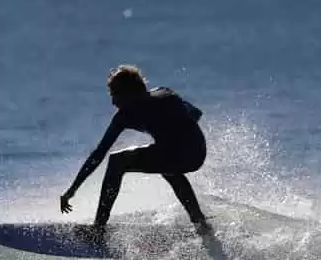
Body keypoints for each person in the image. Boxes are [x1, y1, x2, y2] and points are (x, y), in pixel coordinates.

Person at [60, 65, 211, 235]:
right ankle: (200, 222)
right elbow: (99, 153)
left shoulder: (164, 96)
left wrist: (178, 133)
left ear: (129, 92)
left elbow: (195, 113)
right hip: (193, 151)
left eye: (114, 94)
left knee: (118, 161)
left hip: (191, 151)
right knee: (167, 167)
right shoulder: (125, 115)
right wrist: (72, 190)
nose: (113, 102)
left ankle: (98, 229)